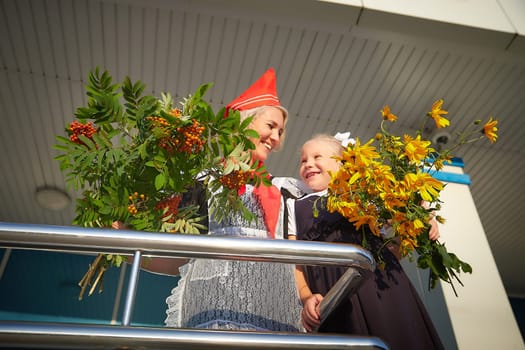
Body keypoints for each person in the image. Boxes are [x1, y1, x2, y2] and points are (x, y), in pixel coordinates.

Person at [162, 68, 304, 331]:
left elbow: (295, 263)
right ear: (243, 122)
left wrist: (307, 298)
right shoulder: (204, 182)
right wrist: (127, 252)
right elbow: (181, 258)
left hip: (275, 316)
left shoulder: (285, 192)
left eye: (281, 131)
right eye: (270, 126)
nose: (276, 137)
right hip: (214, 312)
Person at [287, 133, 445, 349]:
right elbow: (296, 260)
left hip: (381, 288)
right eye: (303, 160)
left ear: (342, 163)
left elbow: (392, 245)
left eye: (317, 157)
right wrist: (306, 297)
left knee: (397, 335)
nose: (308, 164)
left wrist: (421, 219)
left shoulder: (365, 193)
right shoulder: (294, 206)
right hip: (333, 296)